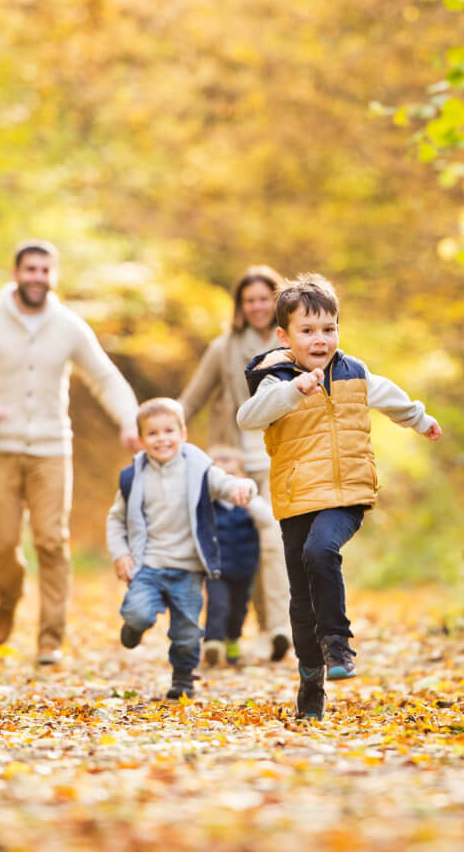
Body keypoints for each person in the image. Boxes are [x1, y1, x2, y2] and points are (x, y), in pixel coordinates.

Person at [236, 273, 442, 721]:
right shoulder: (277, 378)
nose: (320, 339)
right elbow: (248, 417)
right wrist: (293, 390)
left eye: (328, 329)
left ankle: (338, 645)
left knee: (321, 550)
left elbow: (390, 397)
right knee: (299, 598)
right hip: (296, 498)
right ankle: (311, 675)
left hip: (347, 493)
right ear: (284, 336)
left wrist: (420, 419)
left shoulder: (354, 372)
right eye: (307, 331)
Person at [0, 240, 141, 667]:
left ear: (54, 276)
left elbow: (104, 378)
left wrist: (129, 421)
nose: (37, 277)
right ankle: (8, 597)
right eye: (30, 269)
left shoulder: (68, 325)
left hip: (52, 450)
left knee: (52, 541)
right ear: (15, 273)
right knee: (1, 542)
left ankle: (50, 639)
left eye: (45, 270)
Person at [106, 399, 257, 700]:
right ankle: (134, 628)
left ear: (183, 434)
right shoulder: (133, 477)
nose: (162, 438)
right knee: (137, 613)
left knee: (187, 632)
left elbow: (226, 484)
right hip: (148, 564)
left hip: (187, 568)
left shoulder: (199, 470)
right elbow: (116, 519)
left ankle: (184, 678)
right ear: (140, 440)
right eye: (152, 433)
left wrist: (244, 488)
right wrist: (120, 553)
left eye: (168, 431)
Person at [179, 266, 293, 661]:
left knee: (274, 542)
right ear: (240, 306)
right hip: (234, 462)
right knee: (235, 547)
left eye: (265, 298)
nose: (258, 306)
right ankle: (231, 630)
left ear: (277, 300)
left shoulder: (294, 345)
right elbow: (191, 399)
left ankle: (277, 627)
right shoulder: (224, 348)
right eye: (250, 300)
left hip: (279, 456)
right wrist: (160, 431)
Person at [200, 445, 279, 668]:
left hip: (244, 568)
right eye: (220, 477)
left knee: (238, 609)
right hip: (216, 568)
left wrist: (247, 498)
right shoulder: (208, 504)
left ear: (243, 477)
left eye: (231, 476)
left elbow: (267, 521)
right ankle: (213, 642)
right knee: (218, 605)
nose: (227, 483)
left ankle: (233, 640)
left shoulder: (250, 506)